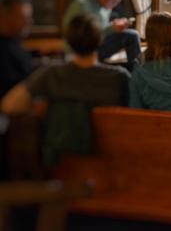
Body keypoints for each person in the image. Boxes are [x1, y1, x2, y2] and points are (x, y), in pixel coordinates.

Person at [1, 15, 130, 165]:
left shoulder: (51, 74)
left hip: (61, 163)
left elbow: (8, 105)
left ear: (68, 42)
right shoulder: (119, 77)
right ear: (100, 40)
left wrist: (41, 110)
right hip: (109, 160)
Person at [63, 0, 140, 70]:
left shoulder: (102, 3)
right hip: (81, 51)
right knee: (132, 37)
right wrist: (112, 28)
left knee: (132, 36)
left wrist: (113, 26)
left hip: (97, 43)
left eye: (117, 1)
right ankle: (138, 75)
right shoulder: (82, 6)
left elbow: (100, 28)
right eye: (113, 1)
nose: (114, 5)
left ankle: (136, 73)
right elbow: (87, 37)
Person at [0, 0, 33, 98]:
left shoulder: (13, 42)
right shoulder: (3, 50)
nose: (30, 22)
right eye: (24, 17)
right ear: (6, 17)